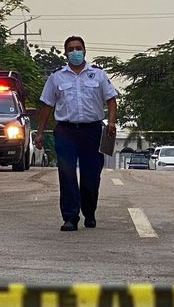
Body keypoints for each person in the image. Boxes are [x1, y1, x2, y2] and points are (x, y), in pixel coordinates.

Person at [34, 36, 118, 232]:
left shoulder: (97, 74)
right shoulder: (56, 77)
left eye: (78, 48)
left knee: (91, 176)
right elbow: (47, 105)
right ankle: (70, 217)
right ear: (65, 53)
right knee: (67, 174)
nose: (75, 52)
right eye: (71, 49)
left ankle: (89, 212)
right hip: (66, 131)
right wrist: (39, 132)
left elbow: (111, 99)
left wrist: (111, 122)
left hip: (92, 131)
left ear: (85, 51)